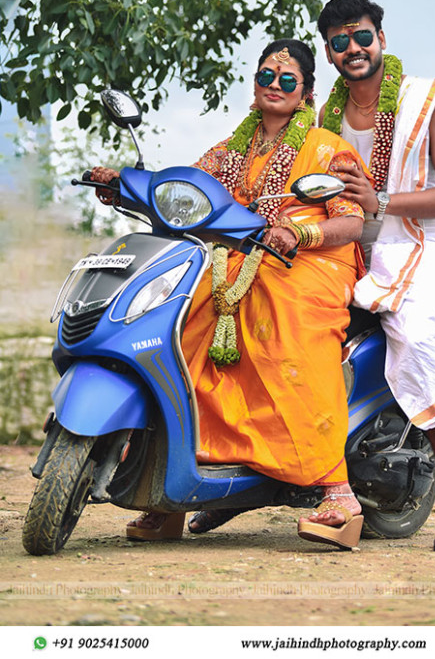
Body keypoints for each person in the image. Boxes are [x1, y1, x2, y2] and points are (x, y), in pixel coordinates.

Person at [91, 39, 367, 550]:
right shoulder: (230, 150)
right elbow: (185, 189)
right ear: (255, 83)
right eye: (267, 75)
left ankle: (338, 490)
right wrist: (126, 183)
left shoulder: (328, 147)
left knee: (284, 324)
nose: (275, 85)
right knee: (180, 321)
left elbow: (351, 222)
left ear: (305, 92)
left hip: (308, 261)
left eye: (288, 80)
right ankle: (169, 492)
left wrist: (297, 234)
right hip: (235, 255)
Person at [317, 0, 435, 552]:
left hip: (419, 244)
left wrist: (383, 203)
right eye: (340, 42)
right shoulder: (326, 116)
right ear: (330, 53)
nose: (353, 48)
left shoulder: (430, 101)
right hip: (350, 248)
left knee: (414, 336)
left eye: (361, 36)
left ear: (381, 39)